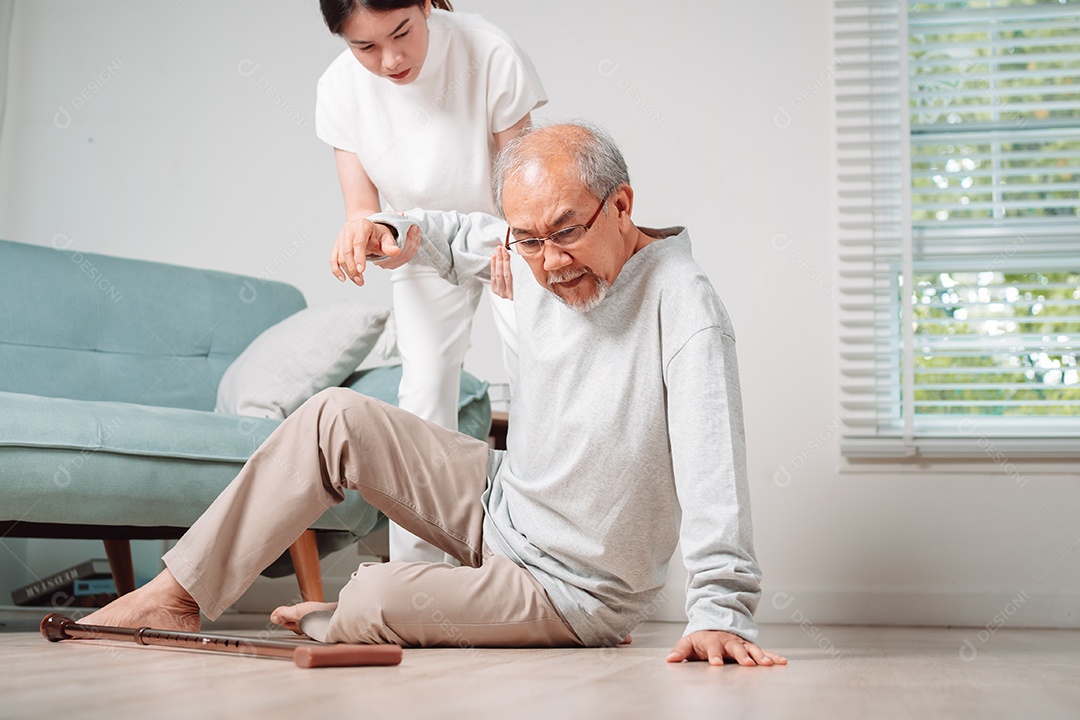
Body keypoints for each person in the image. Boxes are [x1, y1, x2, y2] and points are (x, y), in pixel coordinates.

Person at [80, 122, 786, 667]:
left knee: (375, 594)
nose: (551, 263)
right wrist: (391, 230)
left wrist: (720, 612)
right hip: (501, 503)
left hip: (577, 588)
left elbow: (712, 467)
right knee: (335, 418)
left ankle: (353, 615)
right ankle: (177, 598)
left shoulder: (683, 303)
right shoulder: (530, 250)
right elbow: (451, 234)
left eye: (566, 234)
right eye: (530, 241)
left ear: (622, 205)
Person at [316, 0, 546, 562]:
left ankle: (542, 563)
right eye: (364, 46)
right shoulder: (339, 89)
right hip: (421, 240)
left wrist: (521, 249)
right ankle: (417, 578)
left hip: (506, 235)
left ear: (424, 5)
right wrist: (378, 241)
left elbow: (524, 180)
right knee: (422, 397)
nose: (391, 59)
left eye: (402, 33)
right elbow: (362, 210)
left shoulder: (487, 49)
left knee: (540, 385)